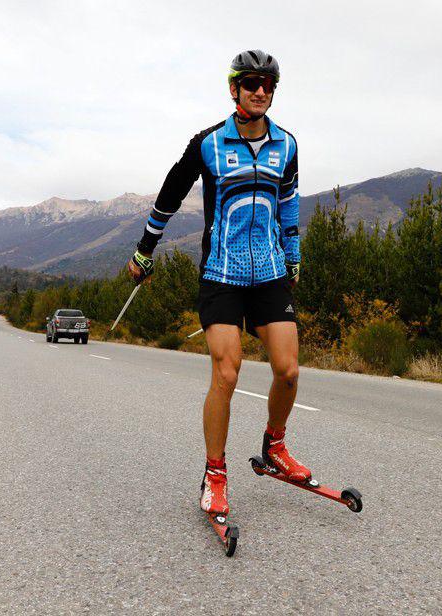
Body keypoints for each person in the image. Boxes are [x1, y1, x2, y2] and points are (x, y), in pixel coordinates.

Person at [127, 49, 309, 517]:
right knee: (227, 372)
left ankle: (274, 447)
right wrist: (145, 249)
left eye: (269, 84)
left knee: (288, 370)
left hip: (269, 272)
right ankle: (214, 475)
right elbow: (171, 191)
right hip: (222, 275)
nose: (261, 91)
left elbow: (288, 203)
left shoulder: (286, 145)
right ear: (234, 89)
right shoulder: (208, 144)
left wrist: (293, 258)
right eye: (251, 82)